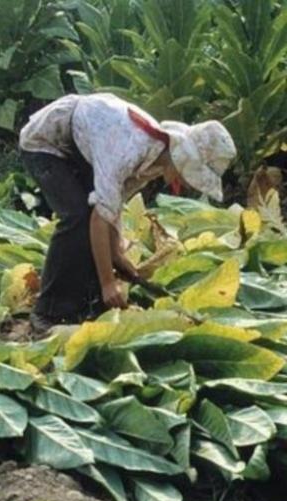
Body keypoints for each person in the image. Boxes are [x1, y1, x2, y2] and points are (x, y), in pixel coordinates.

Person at [18, 93, 237, 336]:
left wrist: (117, 255)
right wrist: (108, 283)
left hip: (82, 141)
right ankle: (47, 312)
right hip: (45, 142)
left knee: (92, 226)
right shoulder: (129, 151)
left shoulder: (153, 158)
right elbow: (100, 218)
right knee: (78, 218)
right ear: (182, 159)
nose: (186, 183)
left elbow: (113, 206)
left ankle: (87, 305)